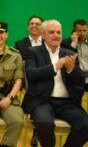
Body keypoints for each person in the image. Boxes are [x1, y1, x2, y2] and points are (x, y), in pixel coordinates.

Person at [22, 19, 88, 147]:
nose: (56, 35)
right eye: (51, 32)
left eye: (58, 32)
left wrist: (71, 69)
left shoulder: (70, 54)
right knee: (44, 124)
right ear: (43, 35)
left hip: (67, 103)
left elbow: (80, 81)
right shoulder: (32, 52)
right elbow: (31, 74)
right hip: (42, 101)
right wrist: (55, 66)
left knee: (86, 125)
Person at [14, 15, 43, 146]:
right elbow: (20, 65)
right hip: (27, 80)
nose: (34, 26)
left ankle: (38, 129)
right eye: (32, 23)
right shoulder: (20, 44)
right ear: (28, 27)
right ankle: (38, 129)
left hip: (45, 80)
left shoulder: (48, 42)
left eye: (37, 24)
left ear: (42, 27)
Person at [61, 19, 88, 87]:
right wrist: (74, 43)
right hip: (76, 77)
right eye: (79, 31)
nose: (82, 33)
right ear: (74, 30)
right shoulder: (65, 42)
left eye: (84, 30)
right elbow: (67, 59)